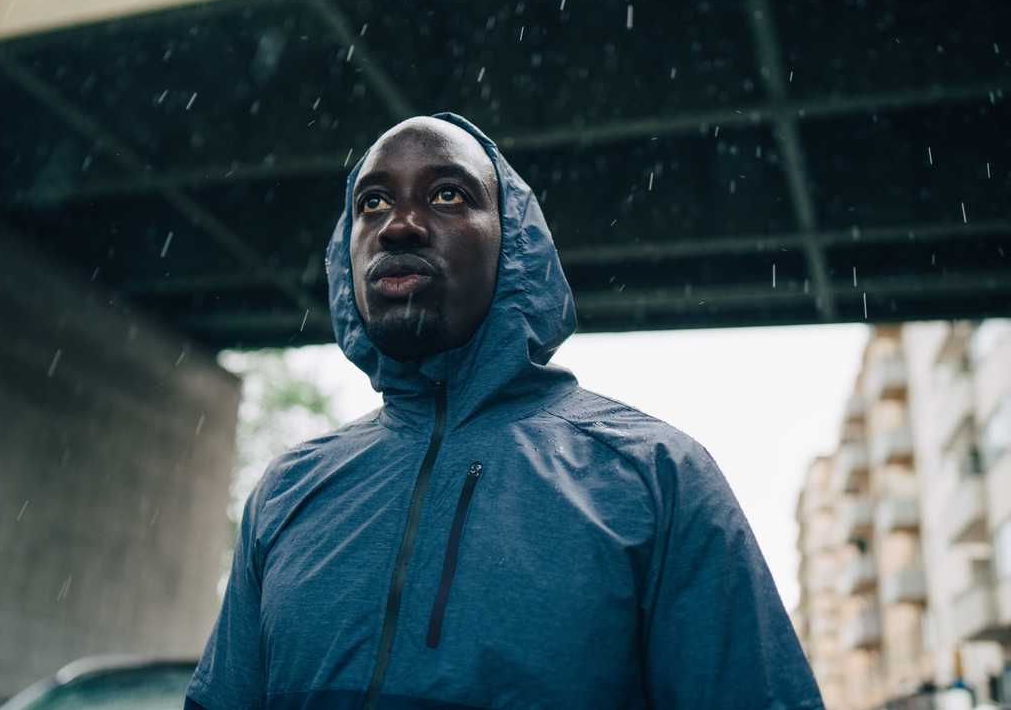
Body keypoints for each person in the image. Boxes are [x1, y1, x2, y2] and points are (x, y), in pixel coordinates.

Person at [185, 113, 824, 709]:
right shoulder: (287, 492)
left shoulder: (656, 476)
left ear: (513, 245)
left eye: (446, 196)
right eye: (372, 202)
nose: (398, 225)